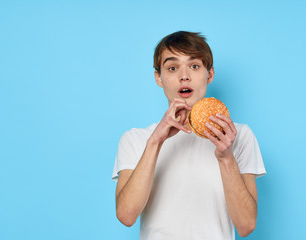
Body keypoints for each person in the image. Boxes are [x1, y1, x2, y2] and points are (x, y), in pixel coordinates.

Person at [112, 31, 266, 240]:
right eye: (172, 68)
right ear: (159, 77)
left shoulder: (239, 136)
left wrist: (226, 157)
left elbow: (246, 225)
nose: (184, 76)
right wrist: (155, 142)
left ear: (209, 74)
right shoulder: (136, 139)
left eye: (194, 66)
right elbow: (126, 216)